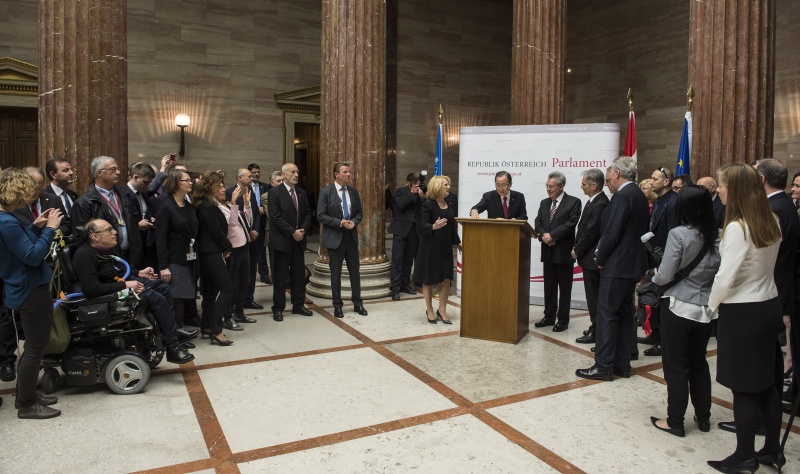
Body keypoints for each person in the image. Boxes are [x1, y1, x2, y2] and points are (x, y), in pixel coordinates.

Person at [706, 163, 785, 474]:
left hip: (743, 311)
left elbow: (726, 277)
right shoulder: (772, 219)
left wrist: (712, 305)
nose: (719, 190)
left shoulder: (738, 227)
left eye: (722, 185)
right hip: (768, 305)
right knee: (766, 384)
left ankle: (744, 455)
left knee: (743, 387)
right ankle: (772, 450)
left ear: (735, 189)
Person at [649, 185, 720, 438]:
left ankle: (675, 421)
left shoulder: (678, 234)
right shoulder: (717, 234)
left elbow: (666, 274)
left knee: (676, 366)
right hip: (705, 308)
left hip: (679, 306)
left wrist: (655, 277)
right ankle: (704, 418)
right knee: (698, 363)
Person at [73, 219, 197, 364]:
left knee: (163, 287)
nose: (114, 232)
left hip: (119, 282)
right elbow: (91, 289)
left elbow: (116, 271)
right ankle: (172, 346)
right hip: (109, 292)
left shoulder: (104, 250)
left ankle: (172, 331)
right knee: (154, 297)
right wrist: (125, 285)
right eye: (109, 230)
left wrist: (139, 273)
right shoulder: (83, 255)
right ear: (94, 236)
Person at [576, 156, 649, 381]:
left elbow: (611, 232)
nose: (608, 181)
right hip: (632, 265)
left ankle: (604, 365)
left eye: (609, 177)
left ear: (617, 173)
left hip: (617, 265)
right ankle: (621, 364)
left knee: (606, 313)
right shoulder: (637, 194)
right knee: (625, 314)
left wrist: (600, 256)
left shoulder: (622, 196)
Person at [0, 168, 63, 419]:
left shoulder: (8, 218)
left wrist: (36, 228)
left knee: (34, 347)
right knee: (35, 348)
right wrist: (50, 229)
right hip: (29, 289)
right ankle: (26, 404)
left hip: (24, 286)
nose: (34, 194)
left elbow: (22, 249)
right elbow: (33, 256)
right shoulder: (7, 222)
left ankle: (27, 395)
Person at [755, 159, 798, 405]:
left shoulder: (773, 209)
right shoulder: (785, 204)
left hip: (770, 289)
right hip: (778, 287)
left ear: (761, 180)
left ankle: (763, 410)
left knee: (765, 356)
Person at [317, 162, 368, 318]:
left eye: (349, 172)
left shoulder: (353, 192)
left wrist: (354, 222)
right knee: (335, 274)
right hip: (335, 238)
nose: (348, 174)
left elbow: (359, 212)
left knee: (355, 273)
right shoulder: (326, 192)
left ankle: (358, 304)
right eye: (345, 172)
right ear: (336, 174)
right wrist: (339, 223)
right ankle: (337, 305)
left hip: (350, 237)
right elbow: (320, 215)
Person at [72, 156, 142, 266]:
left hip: (132, 254)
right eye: (113, 170)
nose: (118, 172)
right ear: (99, 172)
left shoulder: (125, 194)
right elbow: (82, 237)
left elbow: (134, 219)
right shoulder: (85, 202)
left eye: (117, 169)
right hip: (105, 258)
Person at [533, 171, 581, 332]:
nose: (548, 189)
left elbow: (570, 224)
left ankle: (563, 320)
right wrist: (545, 236)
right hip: (547, 252)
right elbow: (538, 222)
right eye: (547, 185)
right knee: (549, 287)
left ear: (561, 187)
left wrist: (553, 236)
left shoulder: (574, 202)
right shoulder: (544, 203)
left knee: (565, 288)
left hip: (563, 252)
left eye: (552, 186)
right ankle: (549, 316)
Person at [267, 162, 313, 321]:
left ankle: (298, 305)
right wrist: (292, 232)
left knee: (299, 274)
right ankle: (278, 308)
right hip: (282, 241)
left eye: (297, 172)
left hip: (299, 241)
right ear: (284, 174)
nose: (296, 175)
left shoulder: (301, 192)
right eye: (293, 172)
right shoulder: (274, 193)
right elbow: (275, 217)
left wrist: (302, 230)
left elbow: (308, 213)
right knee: (280, 277)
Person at [193, 171, 235, 346]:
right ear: (210, 187)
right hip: (210, 252)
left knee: (210, 291)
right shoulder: (208, 206)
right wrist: (228, 246)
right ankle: (217, 330)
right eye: (219, 185)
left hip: (206, 252)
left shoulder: (203, 204)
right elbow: (215, 232)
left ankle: (207, 327)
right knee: (227, 288)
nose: (222, 188)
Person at [641, 166, 679, 356]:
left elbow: (673, 235)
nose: (651, 181)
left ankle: (663, 342)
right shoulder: (658, 202)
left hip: (665, 259)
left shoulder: (673, 202)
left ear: (666, 182)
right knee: (653, 300)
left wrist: (664, 262)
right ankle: (654, 335)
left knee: (663, 302)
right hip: (652, 256)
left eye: (656, 179)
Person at [414, 175, 461, 324]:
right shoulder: (428, 204)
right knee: (428, 280)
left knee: (446, 279)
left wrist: (458, 243)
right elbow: (422, 226)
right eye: (445, 185)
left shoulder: (449, 202)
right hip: (429, 247)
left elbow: (451, 226)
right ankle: (429, 309)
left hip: (445, 247)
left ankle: (442, 309)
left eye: (448, 184)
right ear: (437, 187)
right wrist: (433, 226)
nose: (448, 187)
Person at [155, 169, 199, 331]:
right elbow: (160, 238)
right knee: (176, 298)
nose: (190, 183)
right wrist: (163, 266)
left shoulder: (188, 205)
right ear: (175, 183)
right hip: (173, 259)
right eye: (186, 180)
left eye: (189, 180)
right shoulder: (166, 205)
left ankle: (179, 331)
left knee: (185, 296)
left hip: (188, 256)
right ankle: (175, 334)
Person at [572, 169, 609, 344]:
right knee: (592, 297)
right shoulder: (593, 201)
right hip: (588, 258)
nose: (582, 187)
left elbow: (591, 232)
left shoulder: (600, 203)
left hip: (591, 259)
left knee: (594, 298)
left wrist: (577, 250)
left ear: (594, 186)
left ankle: (597, 331)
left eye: (584, 184)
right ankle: (596, 327)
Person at [221, 176, 256, 328]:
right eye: (220, 187)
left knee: (244, 281)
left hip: (243, 246)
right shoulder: (218, 206)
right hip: (233, 249)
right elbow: (232, 223)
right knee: (231, 283)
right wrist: (234, 202)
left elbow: (246, 221)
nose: (223, 190)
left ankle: (239, 312)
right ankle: (227, 316)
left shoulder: (228, 205)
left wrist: (246, 203)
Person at [226, 168, 263, 310]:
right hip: (239, 240)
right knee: (236, 273)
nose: (252, 177)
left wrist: (255, 229)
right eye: (249, 176)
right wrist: (248, 231)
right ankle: (234, 302)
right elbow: (233, 218)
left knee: (251, 270)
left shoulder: (250, 191)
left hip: (253, 237)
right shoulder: (230, 192)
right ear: (240, 177)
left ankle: (248, 299)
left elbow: (255, 213)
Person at [388, 172, 425, 301]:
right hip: (400, 229)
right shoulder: (401, 191)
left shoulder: (421, 194)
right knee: (397, 259)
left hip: (414, 231)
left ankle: (405, 284)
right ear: (409, 183)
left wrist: (422, 197)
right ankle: (395, 288)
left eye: (418, 184)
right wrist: (411, 193)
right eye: (414, 184)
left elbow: (424, 210)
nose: (417, 186)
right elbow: (401, 205)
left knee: (409, 260)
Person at [125, 162, 157, 269]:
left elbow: (145, 212)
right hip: (132, 246)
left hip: (146, 244)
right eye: (145, 182)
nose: (148, 185)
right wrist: (137, 225)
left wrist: (150, 219)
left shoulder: (143, 192)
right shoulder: (123, 194)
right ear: (135, 177)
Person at [248, 163, 272, 284]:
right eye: (254, 172)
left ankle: (264, 275)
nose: (257, 174)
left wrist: (262, 208)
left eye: (258, 172)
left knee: (261, 251)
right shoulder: (246, 187)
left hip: (262, 222)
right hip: (249, 222)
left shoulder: (265, 187)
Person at [43, 157, 78, 235]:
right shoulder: (44, 197)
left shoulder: (73, 195)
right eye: (65, 170)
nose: (71, 172)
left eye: (70, 169)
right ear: (53, 174)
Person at [261, 171, 283, 287]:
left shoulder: (288, 195)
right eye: (278, 181)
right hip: (273, 232)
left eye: (282, 181)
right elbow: (272, 215)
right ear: (272, 183)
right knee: (275, 262)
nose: (281, 183)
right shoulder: (266, 196)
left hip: (288, 233)